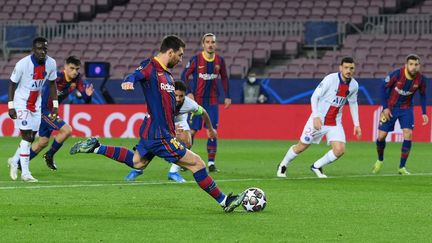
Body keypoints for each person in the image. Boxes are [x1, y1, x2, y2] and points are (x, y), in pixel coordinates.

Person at [70, 35, 245, 212]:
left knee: (137, 162)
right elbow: (135, 75)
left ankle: (96, 147)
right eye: (180, 55)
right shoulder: (151, 66)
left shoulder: (167, 75)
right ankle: (225, 201)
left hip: (154, 131)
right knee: (197, 163)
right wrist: (129, 82)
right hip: (159, 135)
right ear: (170, 52)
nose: (181, 59)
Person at [276, 57, 362, 178]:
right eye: (346, 67)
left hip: (334, 122)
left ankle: (316, 166)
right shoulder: (330, 79)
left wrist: (356, 124)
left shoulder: (354, 85)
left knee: (339, 150)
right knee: (301, 146)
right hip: (318, 120)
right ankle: (283, 165)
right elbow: (314, 97)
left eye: (351, 68)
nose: (349, 70)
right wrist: (316, 117)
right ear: (340, 68)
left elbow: (353, 103)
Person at [8, 56, 93, 174]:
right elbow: (46, 93)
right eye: (72, 68)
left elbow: (85, 99)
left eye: (77, 69)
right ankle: (49, 155)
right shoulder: (57, 78)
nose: (75, 72)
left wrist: (88, 95)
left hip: (50, 112)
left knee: (42, 143)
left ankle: (18, 164)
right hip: (43, 111)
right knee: (67, 130)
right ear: (65, 67)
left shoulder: (77, 79)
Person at [125, 81, 217, 182]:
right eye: (175, 95)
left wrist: (210, 129)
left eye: (181, 96)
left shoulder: (189, 104)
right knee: (149, 148)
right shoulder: (161, 100)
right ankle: (138, 168)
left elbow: (203, 112)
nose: (178, 99)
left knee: (187, 141)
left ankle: (173, 172)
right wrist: (171, 129)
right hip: (158, 122)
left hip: (179, 121)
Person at [7, 37, 58, 182]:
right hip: (21, 102)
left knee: (31, 137)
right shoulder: (23, 64)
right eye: (39, 49)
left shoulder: (51, 63)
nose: (42, 52)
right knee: (27, 137)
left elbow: (53, 83)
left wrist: (55, 105)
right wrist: (11, 106)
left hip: (36, 103)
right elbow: (11, 83)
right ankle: (25, 173)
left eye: (45, 49)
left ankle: (14, 160)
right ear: (33, 50)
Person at [181, 33, 230, 172]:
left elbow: (225, 78)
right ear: (203, 44)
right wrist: (189, 92)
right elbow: (184, 75)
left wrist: (227, 96)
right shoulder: (196, 59)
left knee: (212, 132)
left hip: (213, 101)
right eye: (207, 42)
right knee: (191, 131)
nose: (210, 44)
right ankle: (185, 160)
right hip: (197, 101)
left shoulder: (219, 61)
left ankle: (211, 163)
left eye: (213, 42)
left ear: (216, 44)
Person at [372, 54, 428, 175]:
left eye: (416, 65)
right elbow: (383, 87)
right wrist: (385, 107)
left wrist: (424, 112)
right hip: (390, 108)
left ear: (419, 66)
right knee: (381, 136)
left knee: (408, 134)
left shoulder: (421, 79)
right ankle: (380, 159)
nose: (414, 67)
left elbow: (423, 95)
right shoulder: (397, 74)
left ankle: (402, 167)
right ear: (406, 65)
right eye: (411, 64)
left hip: (406, 109)